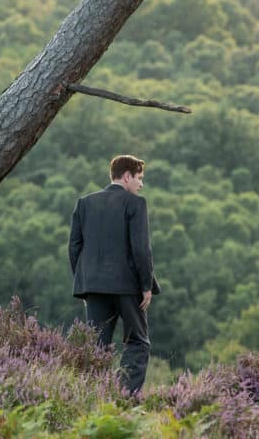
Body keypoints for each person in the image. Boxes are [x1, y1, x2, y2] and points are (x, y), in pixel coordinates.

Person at [68, 154, 160, 395]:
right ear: (127, 176)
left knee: (95, 347)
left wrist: (85, 281)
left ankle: (91, 399)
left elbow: (74, 247)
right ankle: (124, 397)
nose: (141, 184)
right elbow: (141, 248)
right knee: (138, 341)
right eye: (139, 178)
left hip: (93, 286)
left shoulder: (84, 203)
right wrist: (146, 285)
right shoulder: (135, 204)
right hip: (128, 286)